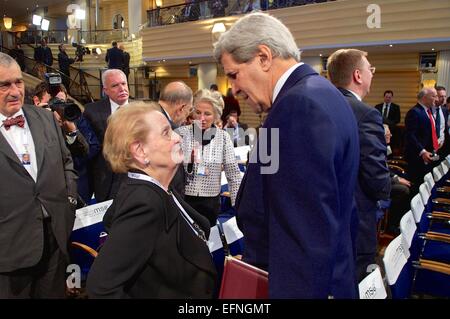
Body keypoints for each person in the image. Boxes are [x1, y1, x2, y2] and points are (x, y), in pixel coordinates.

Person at [213, 12, 360, 298]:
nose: (233, 89)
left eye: (233, 75)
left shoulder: (298, 109)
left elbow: (303, 240)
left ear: (264, 57)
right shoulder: (317, 94)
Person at [86, 102, 216, 298]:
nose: (178, 137)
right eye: (166, 133)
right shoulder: (144, 203)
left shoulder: (159, 189)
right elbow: (102, 288)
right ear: (140, 151)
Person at [0, 52, 78, 298]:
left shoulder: (45, 118)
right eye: (4, 85)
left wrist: (70, 202)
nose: (15, 91)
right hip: (8, 250)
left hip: (55, 239)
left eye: (18, 82)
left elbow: (67, 162)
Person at [327, 49, 391, 282]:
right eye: (370, 69)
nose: (372, 74)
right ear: (358, 75)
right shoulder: (366, 114)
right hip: (357, 221)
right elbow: (376, 178)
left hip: (325, 218)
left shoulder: (318, 106)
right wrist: (386, 189)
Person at [178, 89, 242, 226]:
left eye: (207, 114)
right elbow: (170, 169)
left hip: (210, 204)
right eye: (198, 112)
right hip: (184, 200)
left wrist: (238, 207)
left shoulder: (224, 137)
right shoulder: (181, 134)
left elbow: (234, 174)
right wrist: (188, 161)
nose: (201, 118)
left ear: (216, 116)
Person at [84, 69, 129, 202]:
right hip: (107, 182)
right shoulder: (92, 111)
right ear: (105, 90)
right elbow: (90, 148)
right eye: (115, 86)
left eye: (124, 84)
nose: (122, 88)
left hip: (136, 178)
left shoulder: (142, 109)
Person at [158, 81, 194, 197]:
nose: (185, 119)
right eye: (188, 111)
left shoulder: (147, 114)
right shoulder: (166, 129)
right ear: (181, 108)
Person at [404, 87, 439, 196]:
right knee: (417, 189)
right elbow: (410, 135)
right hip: (417, 158)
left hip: (429, 155)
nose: (436, 99)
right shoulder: (414, 112)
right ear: (425, 97)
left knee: (425, 187)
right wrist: (422, 151)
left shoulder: (428, 112)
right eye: (434, 95)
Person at [383, 124, 411, 235]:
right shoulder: (377, 148)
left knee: (406, 184)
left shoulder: (385, 146)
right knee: (403, 190)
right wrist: (396, 179)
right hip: (379, 183)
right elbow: (380, 170)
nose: (391, 134)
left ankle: (395, 222)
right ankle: (390, 224)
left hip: (385, 177)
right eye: (388, 133)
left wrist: (396, 177)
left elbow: (386, 168)